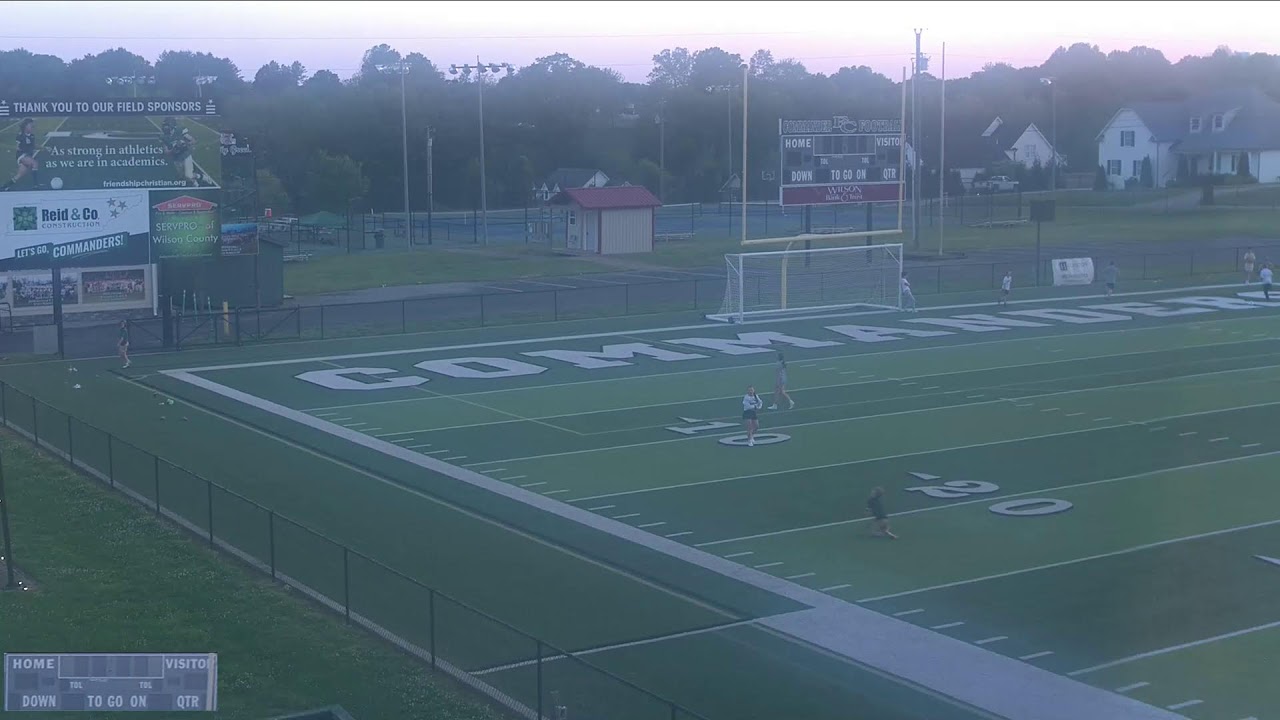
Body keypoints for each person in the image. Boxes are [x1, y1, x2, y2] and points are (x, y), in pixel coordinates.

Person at [161, 117, 205, 188]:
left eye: (167, 125)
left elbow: (193, 141)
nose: (165, 128)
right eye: (164, 126)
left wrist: (184, 144)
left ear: (172, 125)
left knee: (188, 175)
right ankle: (199, 177)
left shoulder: (179, 131)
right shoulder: (164, 137)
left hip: (185, 155)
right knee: (183, 176)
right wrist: (173, 149)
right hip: (176, 159)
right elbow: (166, 152)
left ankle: (197, 185)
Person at [2, 118, 39, 191]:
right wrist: (26, 149)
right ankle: (36, 185)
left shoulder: (32, 136)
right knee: (35, 163)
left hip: (28, 155)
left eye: (32, 126)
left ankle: (5, 186)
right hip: (22, 156)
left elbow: (33, 145)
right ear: (25, 126)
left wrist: (43, 148)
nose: (32, 127)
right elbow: (18, 147)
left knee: (19, 175)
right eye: (30, 125)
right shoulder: (20, 136)